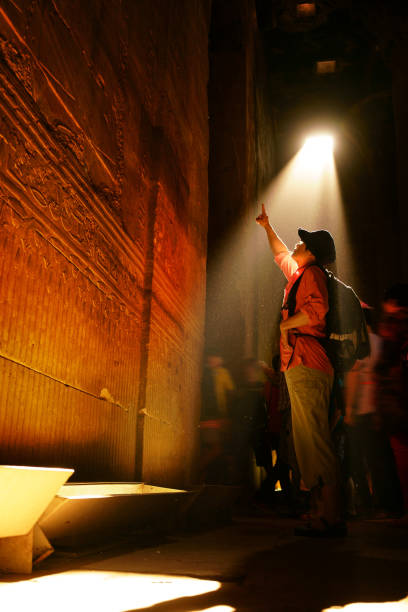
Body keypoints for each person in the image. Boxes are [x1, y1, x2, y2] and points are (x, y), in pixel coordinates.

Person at [256, 204, 345, 536]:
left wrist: (284, 327)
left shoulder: (313, 274)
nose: (297, 243)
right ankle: (321, 512)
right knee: (307, 442)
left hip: (309, 362)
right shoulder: (300, 274)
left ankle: (331, 516)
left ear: (312, 253)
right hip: (300, 362)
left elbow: (317, 311)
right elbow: (281, 253)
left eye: (303, 242)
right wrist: (267, 228)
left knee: (315, 440)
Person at [344, 305, 402, 517]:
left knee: (371, 460)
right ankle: (393, 504)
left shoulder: (360, 344)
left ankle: (382, 505)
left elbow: (354, 377)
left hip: (364, 410)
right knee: (385, 460)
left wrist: (349, 409)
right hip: (381, 409)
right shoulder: (381, 342)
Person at [199, 354, 235, 483]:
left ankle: (201, 476)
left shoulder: (203, 371)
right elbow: (231, 392)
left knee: (209, 448)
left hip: (207, 417)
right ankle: (198, 470)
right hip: (213, 417)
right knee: (216, 448)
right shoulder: (220, 372)